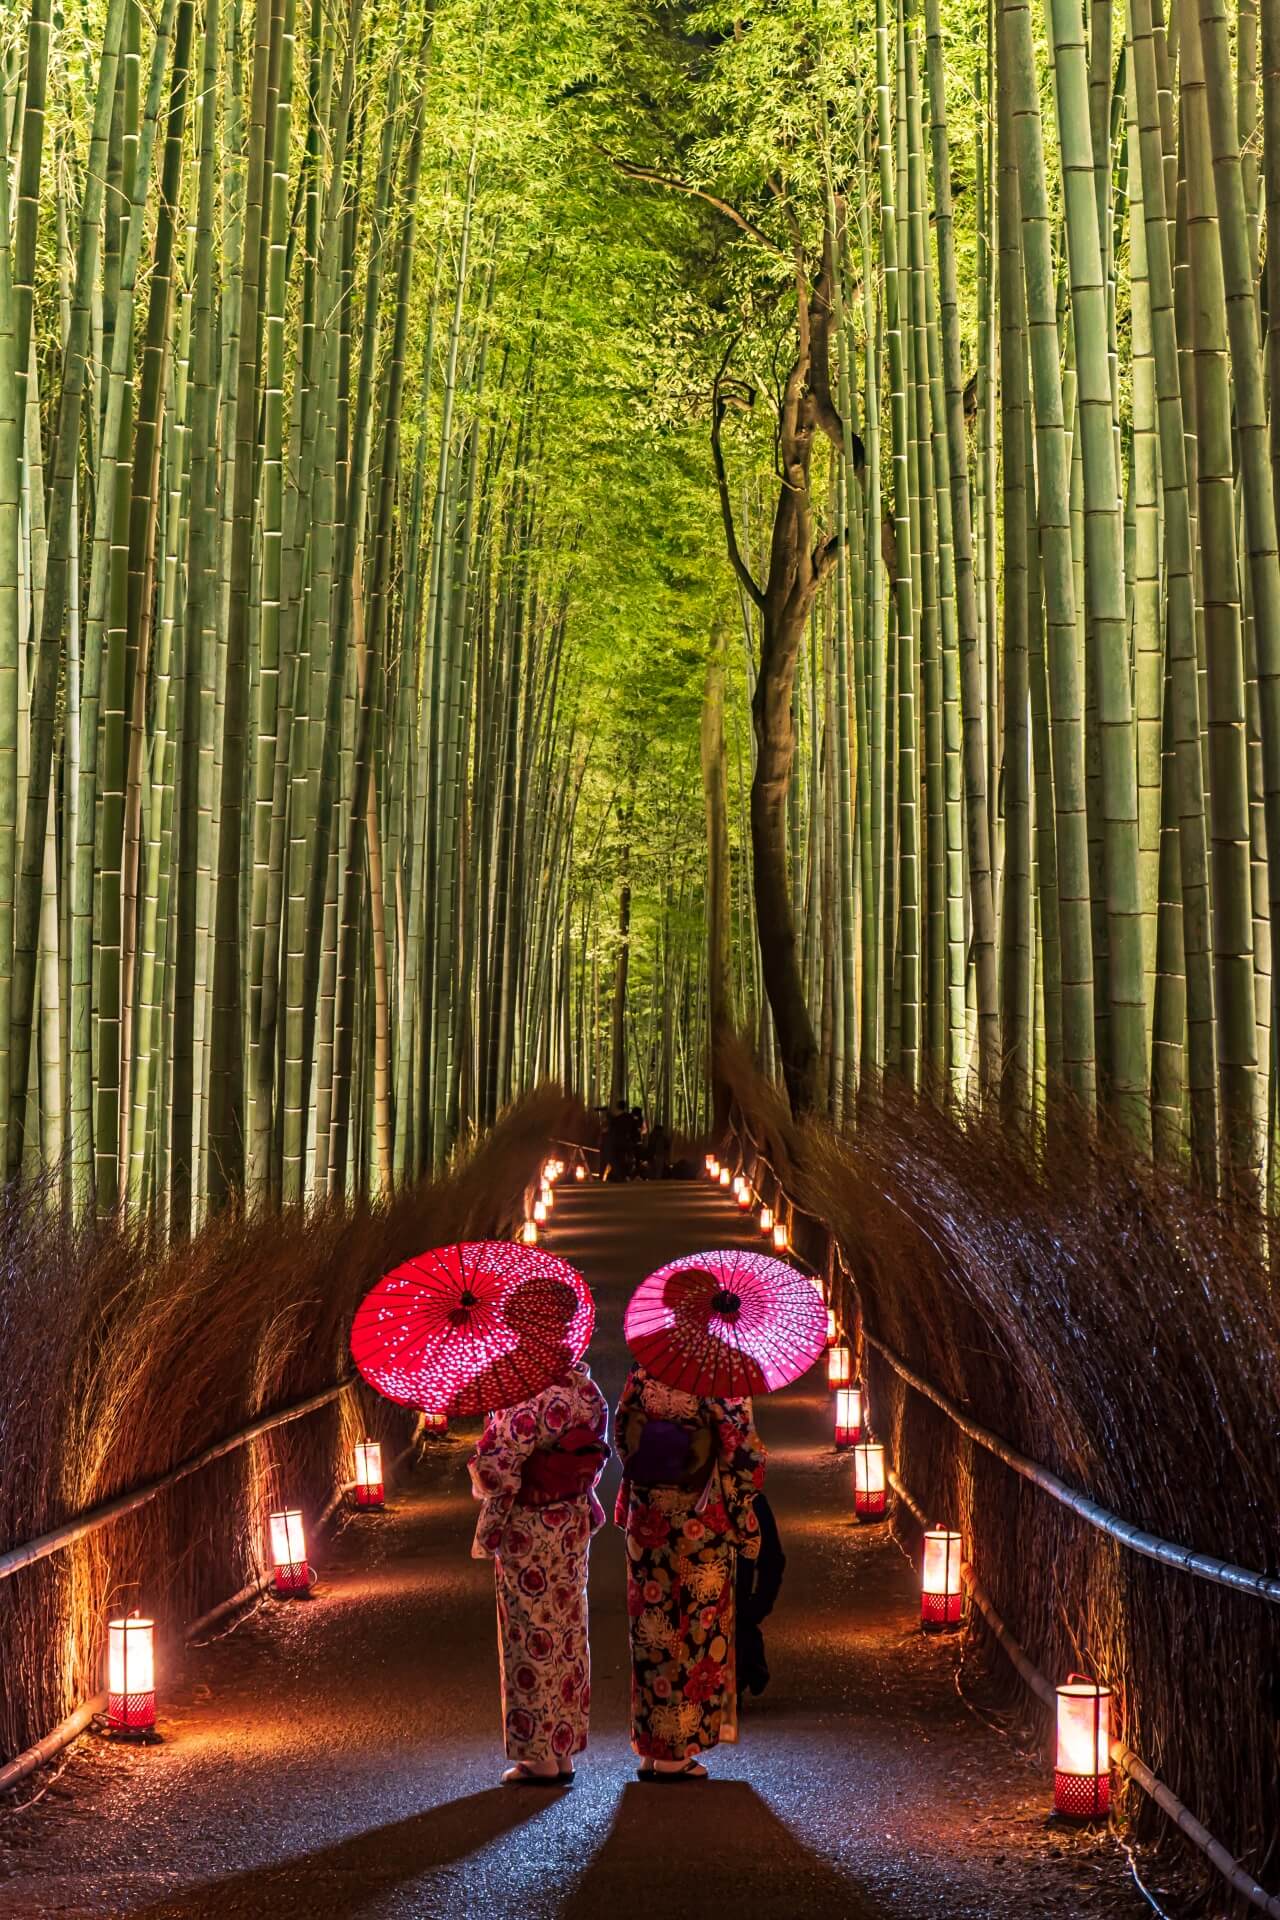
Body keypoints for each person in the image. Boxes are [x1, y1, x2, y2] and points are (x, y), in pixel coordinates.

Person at [613, 1358, 766, 1780]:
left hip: (648, 1523)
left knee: (652, 1631)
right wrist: (740, 1508)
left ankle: (651, 1746)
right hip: (698, 1523)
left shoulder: (642, 1376)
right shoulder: (720, 1380)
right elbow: (743, 1455)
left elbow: (624, 1440)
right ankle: (675, 1753)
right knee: (692, 1631)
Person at [469, 1343, 609, 1785]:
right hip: (570, 1523)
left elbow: (495, 1469)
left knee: (530, 1634)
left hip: (528, 1529)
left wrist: (481, 1457)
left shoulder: (525, 1398)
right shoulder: (586, 1390)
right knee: (567, 1630)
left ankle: (538, 1757)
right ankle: (563, 1747)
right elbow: (596, 1457)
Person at [736, 1488, 785, 1698]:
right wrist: (756, 1608)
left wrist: (755, 1609)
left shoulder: (749, 1502)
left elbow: (772, 1560)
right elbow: (772, 1560)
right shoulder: (749, 1500)